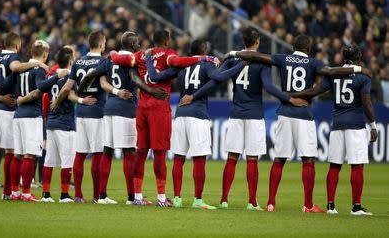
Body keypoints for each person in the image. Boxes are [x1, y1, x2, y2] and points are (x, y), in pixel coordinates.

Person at [231, 34, 371, 213]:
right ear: (309, 48)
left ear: (293, 47)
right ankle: (308, 205)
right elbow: (331, 72)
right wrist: (358, 70)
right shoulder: (314, 63)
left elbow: (256, 56)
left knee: (279, 159)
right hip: (304, 114)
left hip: (284, 113)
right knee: (308, 160)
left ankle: (271, 203)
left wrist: (235, 53)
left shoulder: (283, 59)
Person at [181, 28, 308, 210]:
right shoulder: (261, 62)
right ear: (256, 42)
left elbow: (216, 78)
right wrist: (289, 98)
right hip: (254, 114)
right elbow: (269, 87)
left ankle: (224, 200)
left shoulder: (234, 59)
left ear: (243, 41)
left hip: (236, 113)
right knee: (252, 159)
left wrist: (193, 95)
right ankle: (252, 202)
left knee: (232, 157)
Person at [110, 30, 217, 206]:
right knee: (159, 153)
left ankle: (137, 196)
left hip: (142, 108)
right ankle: (161, 197)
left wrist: (112, 52)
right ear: (167, 40)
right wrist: (204, 58)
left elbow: (117, 58)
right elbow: (179, 62)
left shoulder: (141, 55)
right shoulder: (168, 54)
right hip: (159, 108)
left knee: (142, 151)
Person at [147, 39, 242, 209]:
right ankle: (198, 199)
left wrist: (148, 58)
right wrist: (239, 65)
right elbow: (218, 77)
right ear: (205, 50)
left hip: (181, 115)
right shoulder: (206, 64)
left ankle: (177, 198)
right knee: (199, 159)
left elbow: (154, 77)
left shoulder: (182, 65)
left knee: (179, 158)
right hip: (198, 115)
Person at [78, 31, 169, 205]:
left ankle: (102, 196)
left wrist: (80, 91)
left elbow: (90, 75)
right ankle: (132, 197)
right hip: (126, 109)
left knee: (107, 151)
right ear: (134, 45)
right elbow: (135, 80)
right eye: (138, 44)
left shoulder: (109, 59)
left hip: (109, 108)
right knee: (129, 152)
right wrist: (152, 91)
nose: (140, 46)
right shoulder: (133, 60)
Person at [290, 44, 378, 215]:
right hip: (356, 125)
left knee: (335, 166)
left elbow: (315, 91)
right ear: (358, 57)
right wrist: (373, 124)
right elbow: (367, 102)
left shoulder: (335, 74)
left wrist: (293, 95)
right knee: (357, 166)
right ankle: (356, 207)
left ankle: (330, 205)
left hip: (337, 124)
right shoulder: (363, 76)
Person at [0, 32, 47, 199]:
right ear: (17, 44)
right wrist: (37, 64)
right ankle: (8, 192)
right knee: (11, 152)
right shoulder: (13, 57)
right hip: (7, 109)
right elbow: (15, 68)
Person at [50, 31, 104, 203]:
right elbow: (104, 84)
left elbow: (67, 88)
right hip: (97, 110)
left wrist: (56, 102)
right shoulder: (103, 61)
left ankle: (79, 195)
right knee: (97, 154)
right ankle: (97, 196)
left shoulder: (78, 61)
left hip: (80, 112)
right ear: (101, 43)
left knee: (80, 154)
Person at [11, 40, 50, 202]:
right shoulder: (39, 69)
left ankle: (14, 192)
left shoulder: (22, 68)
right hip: (32, 115)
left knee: (18, 155)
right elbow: (39, 90)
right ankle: (26, 192)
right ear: (45, 55)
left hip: (18, 115)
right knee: (30, 155)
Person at [36, 47, 75, 203]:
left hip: (51, 122)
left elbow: (43, 92)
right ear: (71, 61)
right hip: (65, 123)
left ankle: (46, 194)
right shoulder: (70, 77)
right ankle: (64, 195)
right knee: (67, 161)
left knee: (49, 160)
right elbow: (70, 94)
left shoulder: (51, 75)